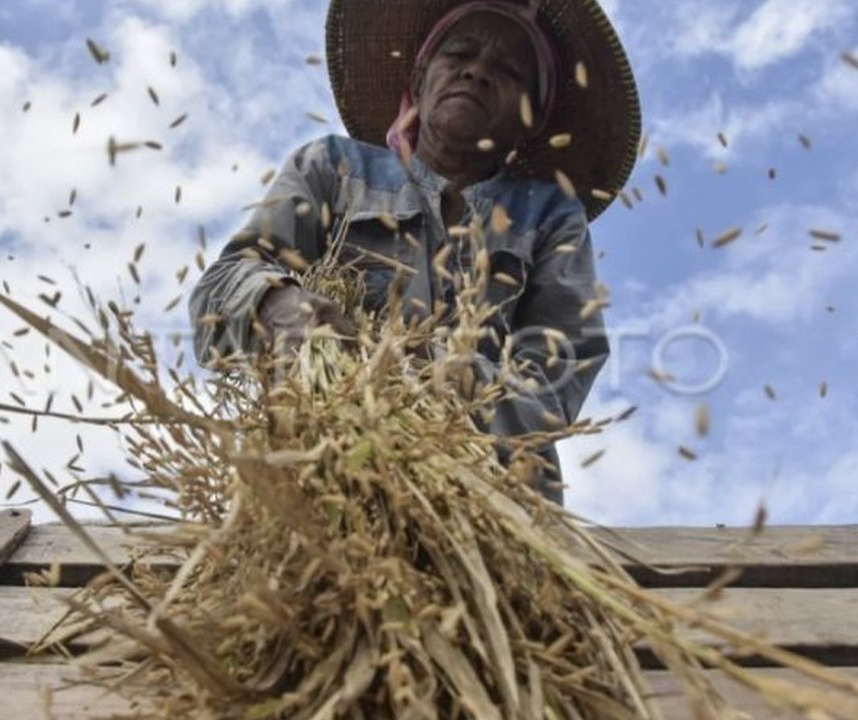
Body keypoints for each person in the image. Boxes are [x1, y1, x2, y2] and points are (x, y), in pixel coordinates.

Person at [190, 0, 640, 504]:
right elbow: (221, 288)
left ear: (531, 119)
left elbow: (558, 373)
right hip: (317, 480)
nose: (476, 72)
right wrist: (276, 306)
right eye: (460, 54)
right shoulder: (335, 168)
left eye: (508, 70)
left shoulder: (549, 216)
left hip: (488, 500)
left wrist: (439, 375)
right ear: (421, 77)